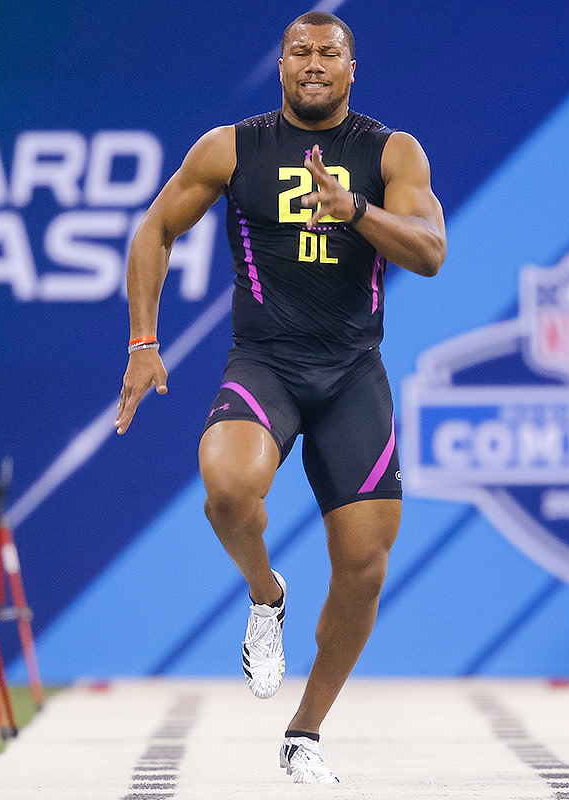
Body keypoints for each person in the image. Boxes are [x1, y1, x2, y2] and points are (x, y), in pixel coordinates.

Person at [114, 10, 445, 784]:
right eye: (300, 52)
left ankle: (305, 734)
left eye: (330, 52)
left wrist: (355, 210)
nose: (314, 63)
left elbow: (431, 252)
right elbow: (154, 230)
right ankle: (267, 596)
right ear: (282, 65)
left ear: (352, 68)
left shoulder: (391, 151)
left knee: (364, 567)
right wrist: (142, 342)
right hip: (266, 362)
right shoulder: (232, 147)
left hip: (352, 373)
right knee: (228, 488)